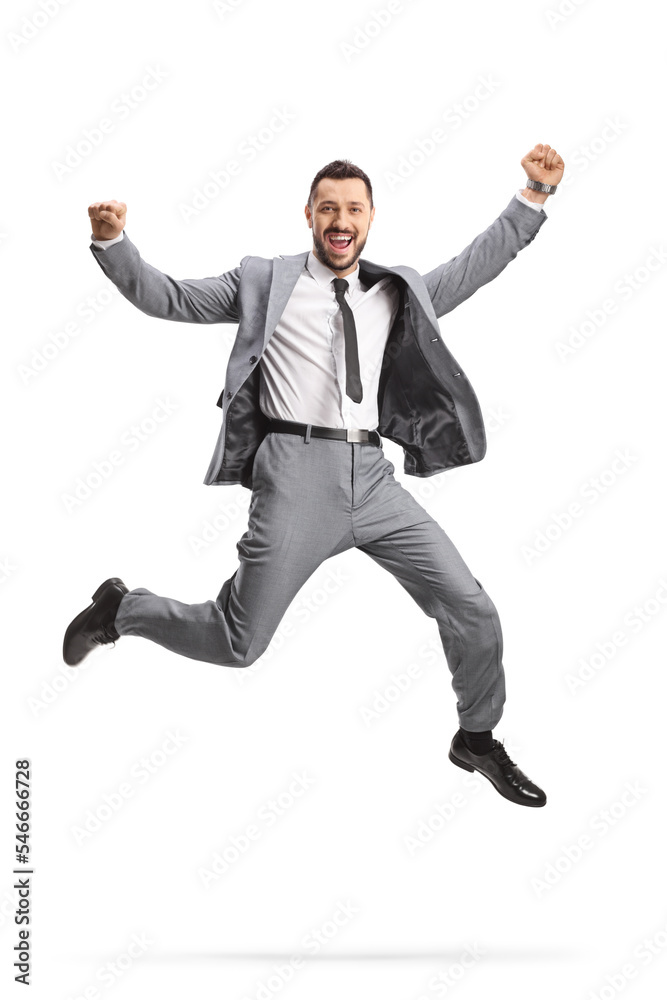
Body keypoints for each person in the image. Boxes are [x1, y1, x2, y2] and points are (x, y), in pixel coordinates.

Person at [64, 144, 565, 807]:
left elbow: (473, 267)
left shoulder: (395, 289)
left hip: (373, 478)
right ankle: (122, 610)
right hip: (295, 475)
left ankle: (476, 738)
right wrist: (114, 242)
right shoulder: (264, 281)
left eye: (353, 208)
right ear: (308, 215)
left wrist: (531, 195)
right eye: (328, 206)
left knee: (471, 608)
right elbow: (171, 298)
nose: (341, 218)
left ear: (369, 219)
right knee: (237, 644)